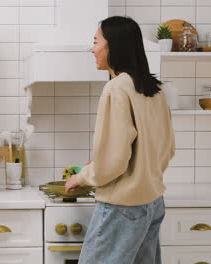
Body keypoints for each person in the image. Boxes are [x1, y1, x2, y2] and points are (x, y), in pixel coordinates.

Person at [65, 16, 175, 264]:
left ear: (113, 45)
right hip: (153, 202)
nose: (92, 49)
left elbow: (112, 164)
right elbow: (166, 149)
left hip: (123, 207)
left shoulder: (116, 88)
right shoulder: (155, 90)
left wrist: (83, 175)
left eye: (96, 41)